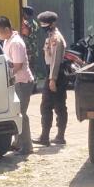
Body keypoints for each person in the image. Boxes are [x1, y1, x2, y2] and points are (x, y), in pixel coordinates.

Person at [0, 16, 35, 156]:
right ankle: (18, 143)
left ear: (6, 29)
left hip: (22, 82)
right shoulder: (7, 41)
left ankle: (27, 146)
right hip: (15, 81)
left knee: (21, 113)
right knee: (15, 113)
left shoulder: (16, 42)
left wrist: (4, 75)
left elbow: (17, 65)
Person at [36, 11, 68, 146]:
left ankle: (57, 136)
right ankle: (46, 136)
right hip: (52, 72)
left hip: (56, 74)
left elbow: (55, 60)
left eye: (46, 24)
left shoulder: (56, 38)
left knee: (58, 106)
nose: (43, 26)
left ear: (53, 23)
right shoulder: (50, 36)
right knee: (47, 105)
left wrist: (52, 79)